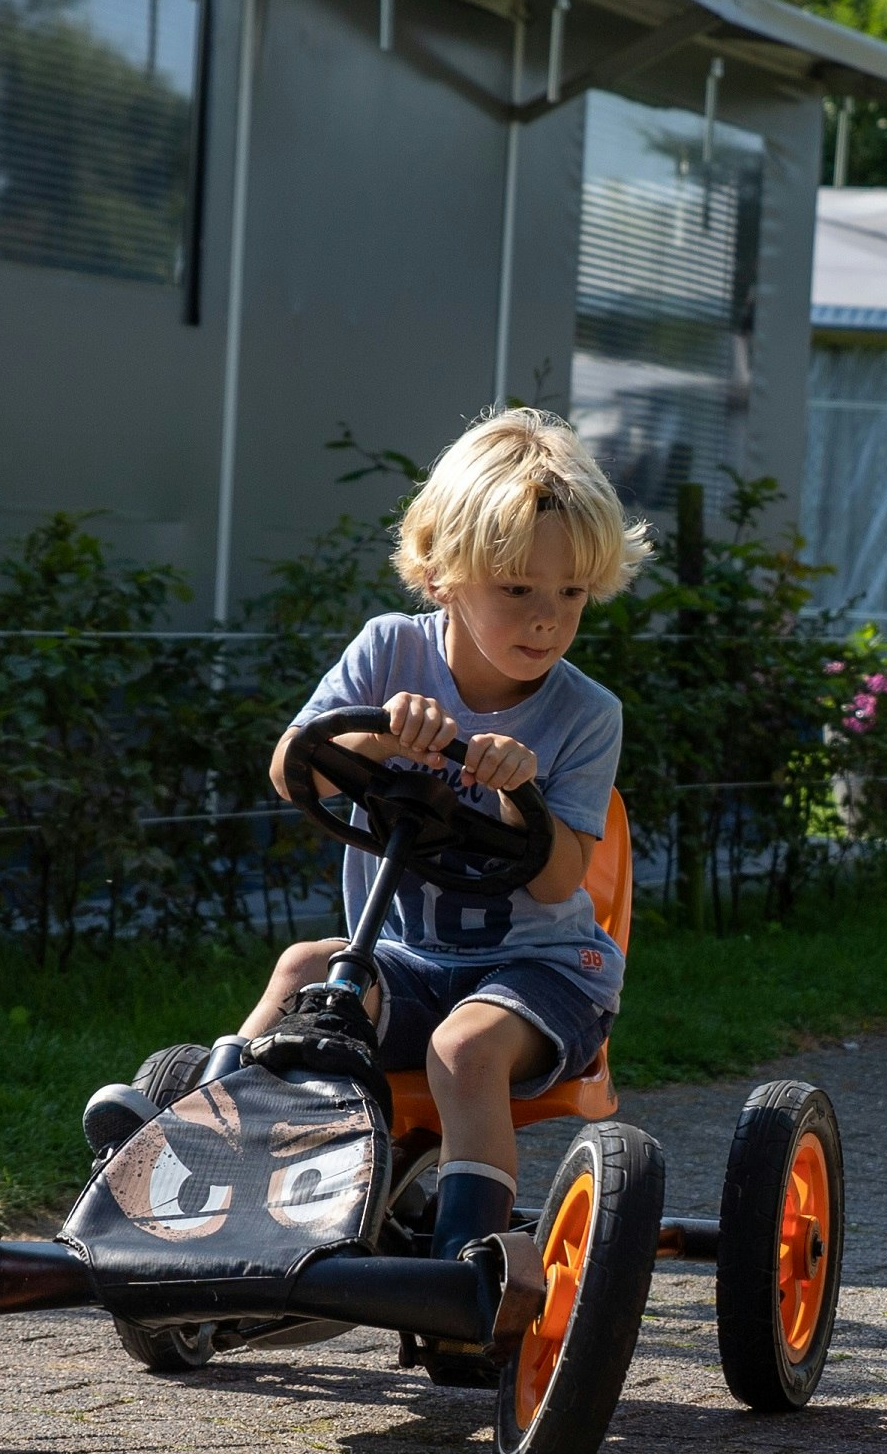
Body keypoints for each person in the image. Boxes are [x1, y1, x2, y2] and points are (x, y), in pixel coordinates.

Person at [235, 410, 641, 1252]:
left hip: (545, 975)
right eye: (519, 590)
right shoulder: (388, 653)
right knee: (309, 968)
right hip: (409, 962)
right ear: (442, 575)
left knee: (463, 1050)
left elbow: (562, 882)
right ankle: (203, 1146)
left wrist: (513, 795)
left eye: (571, 595)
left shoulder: (585, 714)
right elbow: (291, 770)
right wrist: (375, 737)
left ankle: (470, 1264)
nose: (547, 621)